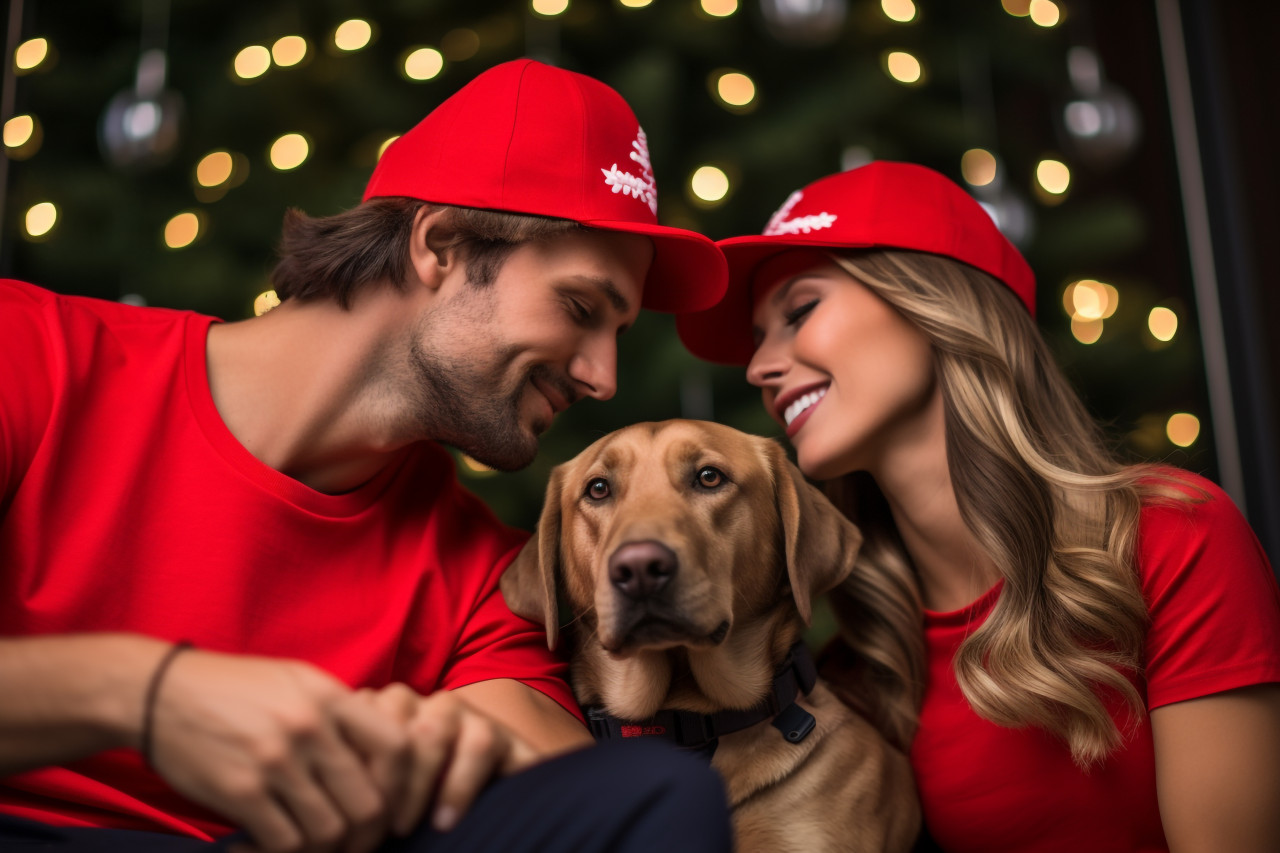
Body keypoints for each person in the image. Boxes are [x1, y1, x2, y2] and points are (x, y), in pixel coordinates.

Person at [0, 58, 734, 852]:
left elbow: (564, 792)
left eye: (616, 335)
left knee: (659, 792)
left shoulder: (483, 572)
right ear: (441, 245)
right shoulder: (35, 356)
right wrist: (148, 694)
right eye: (580, 308)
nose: (602, 376)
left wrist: (435, 746)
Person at [676, 160, 1280, 852]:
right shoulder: (861, 666)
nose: (758, 368)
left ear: (932, 303)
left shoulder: (1169, 536)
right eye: (756, 341)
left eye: (799, 311)